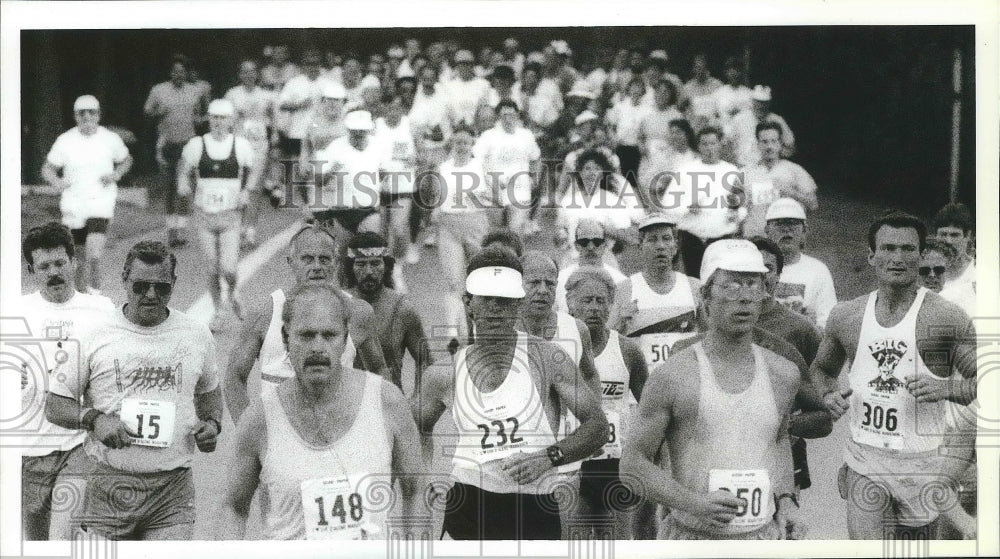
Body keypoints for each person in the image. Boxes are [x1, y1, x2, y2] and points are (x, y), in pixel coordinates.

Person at [622, 238, 832, 540]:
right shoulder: (673, 376)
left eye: (753, 285)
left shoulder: (783, 372)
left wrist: (786, 501)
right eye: (731, 285)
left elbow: (778, 439)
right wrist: (694, 504)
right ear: (706, 297)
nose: (744, 297)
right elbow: (632, 465)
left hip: (761, 536)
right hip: (692, 537)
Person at [411, 245, 608, 540]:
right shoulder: (443, 374)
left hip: (533, 504)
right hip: (469, 502)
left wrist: (549, 457)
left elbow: (598, 427)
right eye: (486, 299)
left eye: (504, 300)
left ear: (517, 303)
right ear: (468, 303)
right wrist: (423, 487)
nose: (495, 308)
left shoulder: (548, 359)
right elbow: (408, 433)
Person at [811, 211, 977, 540]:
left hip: (924, 462)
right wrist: (828, 394)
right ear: (871, 256)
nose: (897, 258)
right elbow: (822, 370)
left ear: (920, 254)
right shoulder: (847, 315)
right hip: (865, 458)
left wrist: (946, 387)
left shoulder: (945, 317)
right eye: (888, 248)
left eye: (907, 249)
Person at [217, 284, 428, 540]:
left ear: (345, 339)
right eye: (306, 335)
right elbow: (234, 507)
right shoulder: (260, 419)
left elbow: (414, 489)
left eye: (329, 335)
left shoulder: (387, 402)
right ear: (285, 338)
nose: (318, 347)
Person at [45, 240, 223, 540]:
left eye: (162, 287)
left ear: (173, 284)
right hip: (109, 484)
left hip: (172, 489)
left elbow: (209, 392)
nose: (151, 295)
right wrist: (94, 420)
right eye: (140, 286)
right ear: (125, 281)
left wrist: (212, 424)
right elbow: (55, 405)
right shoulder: (94, 334)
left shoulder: (196, 334)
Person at [223, 224, 390, 422]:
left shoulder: (358, 313)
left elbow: (379, 370)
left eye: (325, 259)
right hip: (279, 435)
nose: (317, 266)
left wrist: (374, 424)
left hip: (336, 433)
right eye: (308, 259)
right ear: (291, 262)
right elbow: (234, 377)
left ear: (336, 263)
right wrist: (249, 431)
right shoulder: (265, 312)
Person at [17, 223, 115, 540]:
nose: (54, 272)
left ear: (74, 261)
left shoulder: (102, 311)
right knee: (37, 541)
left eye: (60, 263)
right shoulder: (15, 313)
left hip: (82, 445)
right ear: (32, 270)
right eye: (44, 266)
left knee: (61, 540)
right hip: (30, 450)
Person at [565, 267, 648, 539]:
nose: (594, 308)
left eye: (601, 301)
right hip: (573, 465)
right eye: (586, 300)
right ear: (570, 304)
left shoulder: (627, 350)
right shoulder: (558, 350)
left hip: (616, 468)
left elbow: (650, 410)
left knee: (617, 546)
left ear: (611, 304)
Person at [177, 99, 260, 332]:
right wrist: (183, 184)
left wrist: (246, 191)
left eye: (223, 118)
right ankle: (218, 310)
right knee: (212, 268)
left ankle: (233, 294)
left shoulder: (241, 145)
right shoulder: (197, 145)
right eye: (214, 117)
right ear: (208, 120)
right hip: (203, 215)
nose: (218, 122)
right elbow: (183, 171)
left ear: (231, 121)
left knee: (229, 268)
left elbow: (253, 170)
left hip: (230, 216)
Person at [42, 95, 132, 293]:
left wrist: (116, 174)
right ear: (75, 116)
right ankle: (81, 298)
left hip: (101, 201)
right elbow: (48, 168)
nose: (87, 116)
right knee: (77, 258)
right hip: (74, 204)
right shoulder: (65, 140)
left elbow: (126, 160)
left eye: (91, 112)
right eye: (82, 113)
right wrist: (56, 182)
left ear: (98, 115)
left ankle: (96, 296)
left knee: (94, 254)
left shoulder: (110, 138)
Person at [608, 213, 701, 371]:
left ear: (675, 246)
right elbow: (606, 343)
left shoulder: (695, 288)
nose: (660, 246)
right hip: (642, 386)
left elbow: (711, 339)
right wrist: (619, 321)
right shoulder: (624, 289)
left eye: (666, 238)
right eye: (652, 239)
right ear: (640, 246)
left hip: (685, 382)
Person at [342, 232, 431, 392]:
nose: (369, 271)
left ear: (387, 266)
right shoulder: (338, 303)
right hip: (346, 403)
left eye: (376, 263)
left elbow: (425, 361)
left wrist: (416, 405)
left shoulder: (402, 309)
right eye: (361, 264)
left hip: (388, 403)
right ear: (351, 267)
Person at [432, 125, 493, 344]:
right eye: (457, 142)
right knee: (453, 281)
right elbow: (439, 197)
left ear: (472, 144)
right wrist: (436, 213)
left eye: (465, 142)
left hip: (475, 223)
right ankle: (451, 333)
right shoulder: (444, 167)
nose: (461, 147)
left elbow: (491, 197)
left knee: (477, 278)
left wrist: (476, 195)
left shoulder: (480, 166)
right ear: (452, 144)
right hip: (449, 224)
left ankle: (475, 330)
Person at [660, 126, 745, 278]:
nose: (709, 148)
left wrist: (736, 214)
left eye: (713, 143)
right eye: (704, 144)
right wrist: (687, 207)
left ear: (720, 144)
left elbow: (742, 205)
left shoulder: (731, 171)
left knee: (721, 281)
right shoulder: (686, 170)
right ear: (698, 146)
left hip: (722, 238)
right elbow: (667, 203)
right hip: (693, 239)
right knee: (695, 282)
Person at [144, 55, 203, 248]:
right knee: (169, 188)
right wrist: (158, 114)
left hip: (187, 143)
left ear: (187, 73)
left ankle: (182, 230)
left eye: (182, 71)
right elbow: (147, 112)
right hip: (167, 143)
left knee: (184, 188)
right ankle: (171, 231)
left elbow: (199, 116)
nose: (178, 74)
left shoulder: (195, 91)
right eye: (175, 71)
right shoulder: (158, 90)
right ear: (170, 73)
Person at [555, 149, 643, 271]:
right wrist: (561, 236)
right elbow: (559, 236)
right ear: (580, 173)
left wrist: (600, 229)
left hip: (604, 261)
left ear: (602, 173)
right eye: (587, 169)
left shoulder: (613, 201)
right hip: (573, 261)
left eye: (596, 169)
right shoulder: (568, 202)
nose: (591, 173)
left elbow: (629, 237)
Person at [225, 60, 277, 248]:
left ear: (257, 74)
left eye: (252, 71)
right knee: (238, 189)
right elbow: (224, 121)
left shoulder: (267, 96)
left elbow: (274, 120)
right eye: (245, 72)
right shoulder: (232, 94)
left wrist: (274, 138)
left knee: (254, 190)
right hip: (237, 146)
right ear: (240, 74)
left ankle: (250, 231)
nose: (249, 75)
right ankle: (238, 230)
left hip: (259, 147)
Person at [763, 198, 837, 329]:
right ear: (767, 230)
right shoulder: (755, 267)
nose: (786, 229)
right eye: (779, 224)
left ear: (804, 230)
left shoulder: (818, 270)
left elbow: (828, 321)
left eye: (793, 223)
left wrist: (811, 325)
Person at [311, 110, 383, 242]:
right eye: (355, 130)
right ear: (348, 129)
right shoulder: (335, 147)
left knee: (368, 250)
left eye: (362, 130)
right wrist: (332, 171)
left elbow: (385, 173)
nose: (358, 133)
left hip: (369, 210)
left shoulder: (378, 146)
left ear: (368, 130)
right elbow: (319, 181)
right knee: (342, 258)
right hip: (341, 211)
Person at [473, 100, 540, 235]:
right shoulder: (488, 136)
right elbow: (476, 161)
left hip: (520, 188)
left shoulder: (526, 135)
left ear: (517, 115)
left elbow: (535, 158)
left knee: (515, 231)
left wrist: (534, 178)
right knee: (495, 234)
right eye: (504, 115)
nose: (508, 119)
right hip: (493, 188)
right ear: (498, 117)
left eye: (511, 115)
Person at [741, 122, 819, 238]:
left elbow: (813, 204)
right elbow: (734, 209)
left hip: (785, 239)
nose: (769, 147)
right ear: (757, 144)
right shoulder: (745, 173)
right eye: (765, 142)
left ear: (780, 144)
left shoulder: (794, 170)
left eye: (774, 141)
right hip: (755, 237)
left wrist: (792, 194)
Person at [373, 95, 418, 281]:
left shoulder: (409, 126)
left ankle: (397, 264)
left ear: (403, 110)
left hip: (403, 184)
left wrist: (415, 159)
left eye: (397, 109)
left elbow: (420, 152)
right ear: (383, 110)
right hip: (378, 185)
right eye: (389, 109)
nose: (393, 113)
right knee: (381, 231)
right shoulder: (376, 126)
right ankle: (384, 266)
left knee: (399, 229)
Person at [554, 219, 627, 313]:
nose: (591, 247)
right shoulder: (559, 281)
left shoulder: (621, 282)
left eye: (597, 242)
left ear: (604, 245)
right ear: (576, 246)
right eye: (584, 242)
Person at [277, 49, 329, 164]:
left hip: (320, 133)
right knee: (296, 168)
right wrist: (298, 105)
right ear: (304, 65)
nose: (312, 67)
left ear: (320, 65)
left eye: (315, 64)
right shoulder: (294, 82)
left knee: (318, 167)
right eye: (309, 64)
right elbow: (282, 104)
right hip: (297, 132)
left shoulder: (327, 83)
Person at [637, 79, 684, 204]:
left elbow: (681, 139)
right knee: (647, 189)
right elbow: (640, 136)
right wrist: (642, 147)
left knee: (664, 190)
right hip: (648, 157)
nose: (661, 95)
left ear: (671, 95)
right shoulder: (647, 114)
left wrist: (668, 153)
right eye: (658, 91)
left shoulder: (676, 116)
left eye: (665, 92)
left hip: (669, 157)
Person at [726, 85, 795, 168]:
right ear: (752, 101)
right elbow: (727, 145)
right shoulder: (739, 119)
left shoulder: (777, 120)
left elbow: (790, 147)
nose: (761, 106)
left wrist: (777, 157)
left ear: (769, 103)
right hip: (743, 166)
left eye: (764, 102)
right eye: (758, 102)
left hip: (769, 168)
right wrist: (734, 164)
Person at [606, 77, 651, 188]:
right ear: (629, 89)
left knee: (635, 181)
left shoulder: (648, 110)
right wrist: (613, 138)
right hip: (621, 147)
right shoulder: (620, 106)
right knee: (620, 179)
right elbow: (610, 125)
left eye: (639, 88)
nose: (636, 90)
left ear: (643, 91)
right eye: (633, 87)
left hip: (638, 149)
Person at [931, 202, 976, 298]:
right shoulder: (925, 273)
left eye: (954, 235)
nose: (948, 241)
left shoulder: (978, 275)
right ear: (935, 236)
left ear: (967, 236)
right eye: (943, 234)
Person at [919, 239, 974, 317]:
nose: (932, 275)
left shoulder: (962, 303)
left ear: (948, 270)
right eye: (924, 270)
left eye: (939, 270)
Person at [443, 49, 490, 128]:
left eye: (467, 64)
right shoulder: (448, 86)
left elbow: (486, 110)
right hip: (454, 128)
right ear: (456, 66)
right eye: (460, 64)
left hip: (477, 128)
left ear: (472, 65)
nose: (464, 67)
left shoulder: (483, 84)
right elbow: (446, 111)